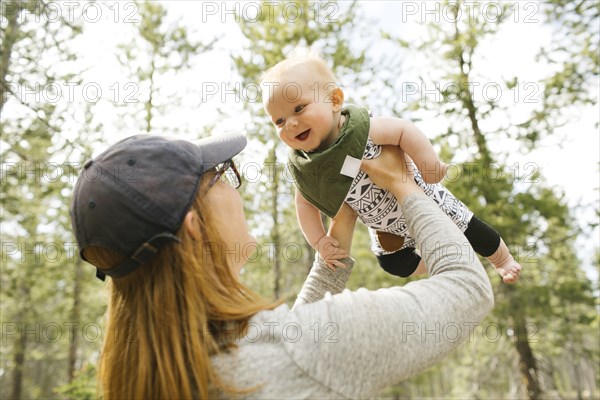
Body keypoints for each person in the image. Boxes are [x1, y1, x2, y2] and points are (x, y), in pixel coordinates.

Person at [70, 132, 494, 399]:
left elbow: (284, 347)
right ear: (194, 226)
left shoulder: (157, 373)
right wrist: (405, 187)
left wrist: (340, 228)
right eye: (222, 175)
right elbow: (466, 290)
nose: (237, 186)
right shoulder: (296, 349)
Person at [261, 55, 521, 283]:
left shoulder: (360, 129)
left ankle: (503, 261)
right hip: (384, 227)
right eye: (279, 120)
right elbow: (304, 204)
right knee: (394, 264)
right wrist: (319, 240)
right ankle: (442, 261)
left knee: (474, 231)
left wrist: (428, 163)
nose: (291, 124)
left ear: (335, 100)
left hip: (426, 201)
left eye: (299, 108)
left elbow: (403, 130)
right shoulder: (307, 166)